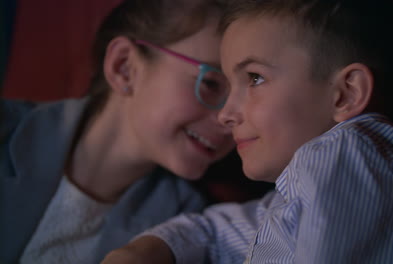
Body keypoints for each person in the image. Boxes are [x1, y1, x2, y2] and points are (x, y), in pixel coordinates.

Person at [102, 0, 393, 263]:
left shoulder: (353, 153)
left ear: (345, 93)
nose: (226, 114)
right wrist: (151, 247)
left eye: (255, 78)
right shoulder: (306, 185)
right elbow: (219, 230)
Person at [0, 0, 237, 263]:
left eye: (242, 96)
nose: (231, 117)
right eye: (211, 83)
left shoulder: (190, 230)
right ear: (124, 67)